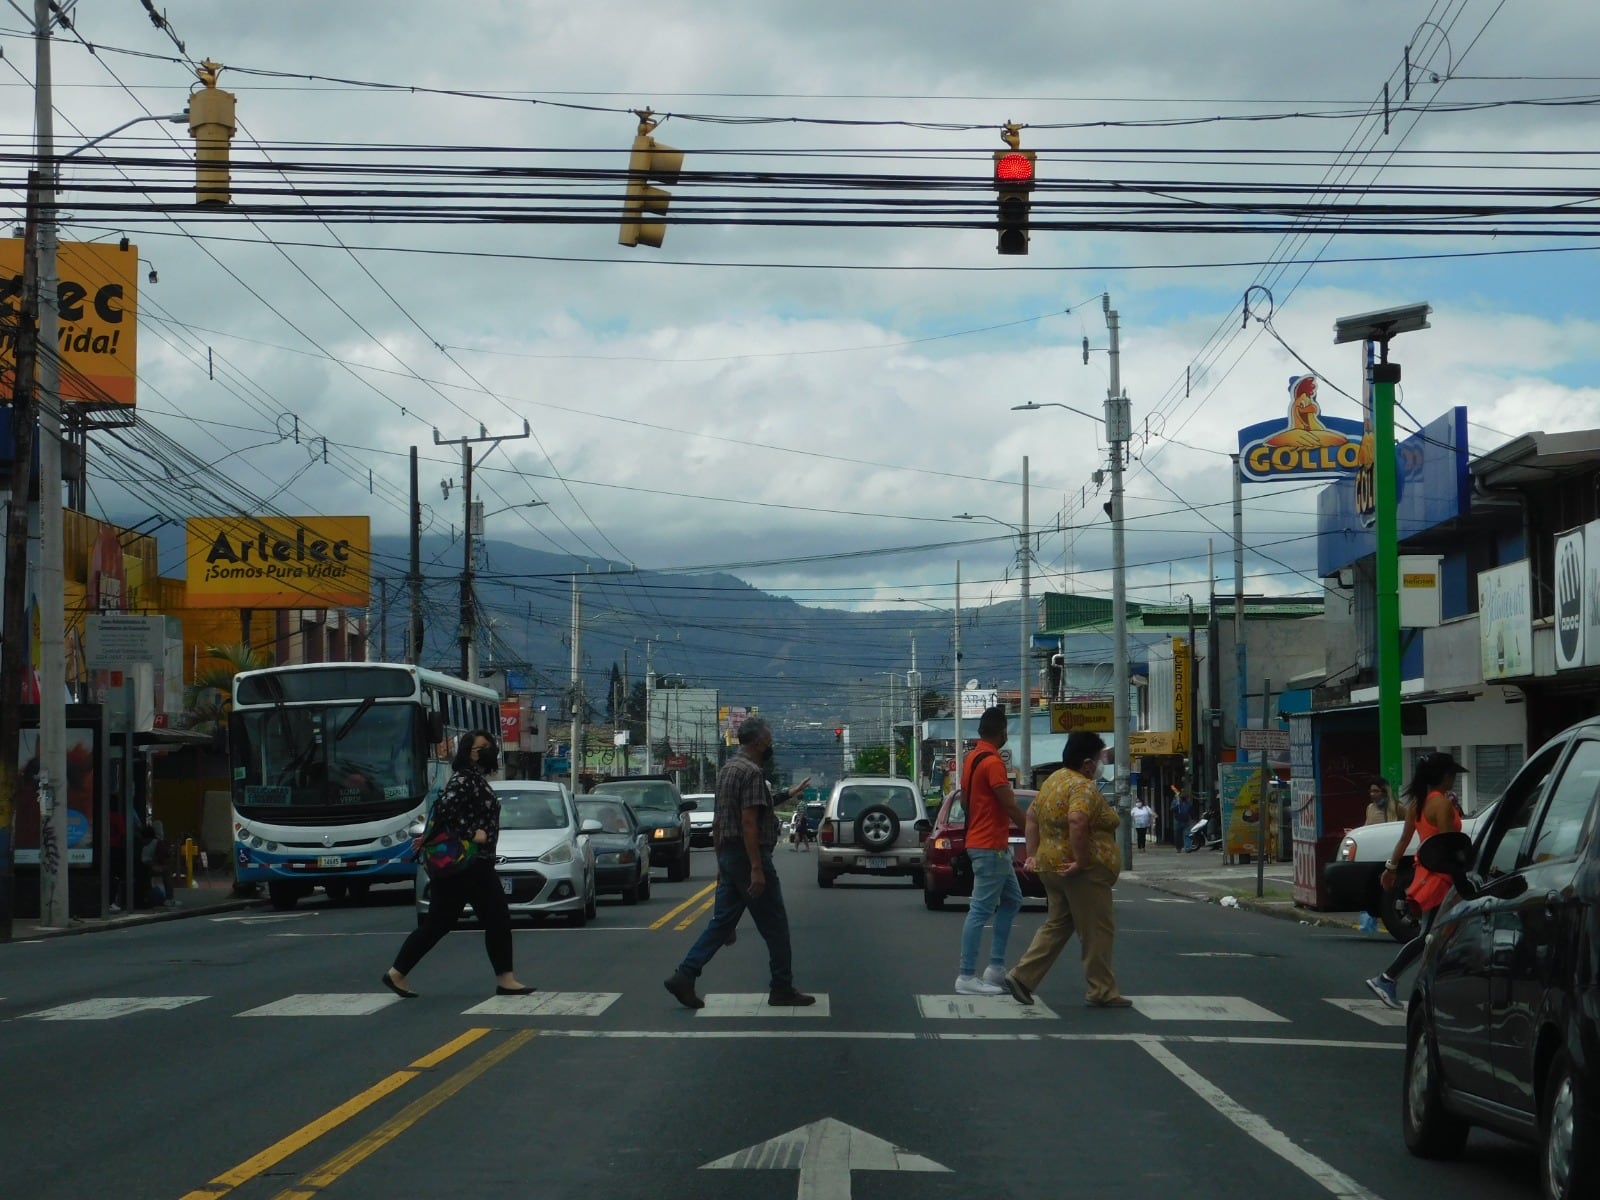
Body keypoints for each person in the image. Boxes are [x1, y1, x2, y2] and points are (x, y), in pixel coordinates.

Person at [664, 716, 815, 1009]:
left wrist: (722, 866)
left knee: (722, 923)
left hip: (730, 857)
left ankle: (685, 974)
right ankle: (781, 987)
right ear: (758, 742)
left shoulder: (727, 771)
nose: (771, 744)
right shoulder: (753, 773)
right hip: (749, 858)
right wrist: (757, 868)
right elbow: (748, 822)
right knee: (776, 926)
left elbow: (721, 822)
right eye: (769, 739)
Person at [382, 732, 534, 1000]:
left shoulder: (473, 779)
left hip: (470, 863)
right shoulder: (465, 779)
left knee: (441, 922)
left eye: (490, 747)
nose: (487, 751)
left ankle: (397, 972)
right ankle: (505, 979)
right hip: (469, 862)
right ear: (467, 751)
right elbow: (446, 810)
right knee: (496, 917)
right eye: (481, 748)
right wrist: (470, 833)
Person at [1005, 732, 1132, 1008]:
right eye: (1100, 759)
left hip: (1052, 866)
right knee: (1097, 930)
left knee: (1058, 925)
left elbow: (1031, 816)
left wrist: (1033, 854)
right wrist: (1082, 861)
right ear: (1087, 763)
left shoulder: (1054, 781)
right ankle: (1102, 990)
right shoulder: (1082, 787)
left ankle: (1022, 977)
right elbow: (1077, 819)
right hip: (1083, 873)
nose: (1102, 765)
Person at [1365, 753, 1467, 1010]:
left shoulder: (1417, 805)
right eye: (1452, 774)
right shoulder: (1442, 805)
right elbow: (1448, 845)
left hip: (1426, 872)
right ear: (1444, 776)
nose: (1454, 779)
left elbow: (1403, 840)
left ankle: (1432, 990)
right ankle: (1387, 977)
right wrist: (1465, 873)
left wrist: (1391, 868)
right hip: (1442, 876)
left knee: (1439, 936)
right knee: (1430, 936)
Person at [953, 706, 1027, 996]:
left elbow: (965, 803)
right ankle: (967, 975)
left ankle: (995, 969)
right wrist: (1032, 831)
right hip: (989, 846)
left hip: (985, 843)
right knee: (980, 910)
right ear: (1003, 731)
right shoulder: (993, 762)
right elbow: (1009, 804)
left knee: (1012, 900)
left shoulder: (972, 759)